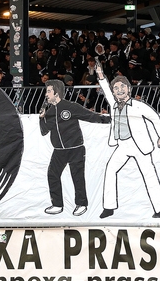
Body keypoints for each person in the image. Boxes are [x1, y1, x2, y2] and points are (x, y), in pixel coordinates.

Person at [95, 61, 160, 218]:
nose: (119, 90)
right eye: (116, 88)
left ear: (129, 89)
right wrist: (101, 75)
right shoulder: (114, 104)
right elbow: (106, 90)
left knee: (149, 174)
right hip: (122, 145)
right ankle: (109, 207)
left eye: (122, 87)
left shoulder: (137, 105)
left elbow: (154, 117)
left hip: (139, 145)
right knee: (110, 170)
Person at [39, 78, 111, 216]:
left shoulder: (70, 107)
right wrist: (41, 118)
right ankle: (57, 204)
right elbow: (44, 131)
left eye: (48, 91)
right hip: (59, 151)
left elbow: (91, 116)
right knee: (52, 175)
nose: (46, 94)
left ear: (56, 93)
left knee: (77, 176)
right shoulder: (49, 112)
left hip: (75, 148)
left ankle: (81, 204)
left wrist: (110, 119)